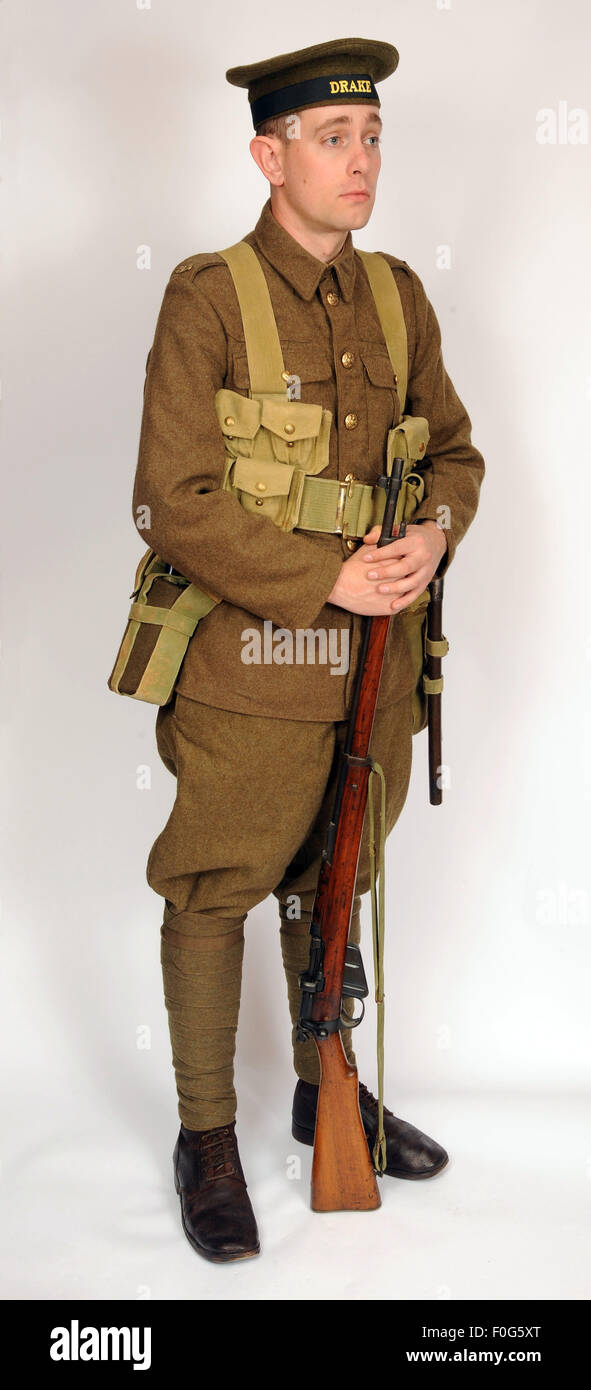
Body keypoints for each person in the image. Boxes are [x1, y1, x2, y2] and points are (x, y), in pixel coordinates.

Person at [130, 36, 485, 1263]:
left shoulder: (399, 293)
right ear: (267, 154)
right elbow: (173, 497)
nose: (361, 159)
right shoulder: (208, 295)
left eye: (373, 135)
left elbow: (456, 455)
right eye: (334, 138)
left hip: (379, 667)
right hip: (252, 669)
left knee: (335, 879)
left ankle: (322, 1084)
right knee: (219, 888)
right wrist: (324, 573)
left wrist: (432, 538)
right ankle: (208, 1137)